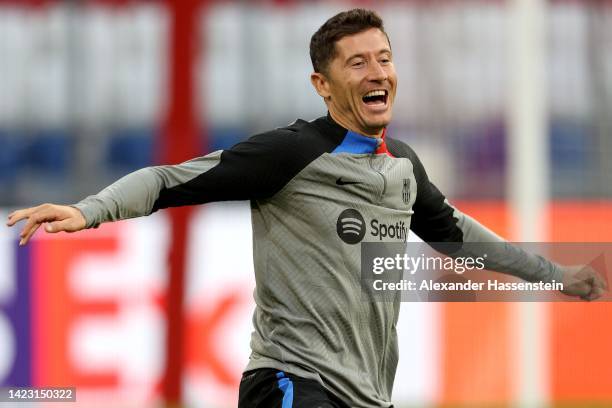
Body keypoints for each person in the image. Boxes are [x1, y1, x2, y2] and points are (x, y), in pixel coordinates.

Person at [6, 8, 606, 408]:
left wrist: (558, 275)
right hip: (295, 383)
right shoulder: (290, 153)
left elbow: (460, 238)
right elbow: (170, 177)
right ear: (322, 84)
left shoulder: (402, 165)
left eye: (385, 58)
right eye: (358, 62)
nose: (379, 73)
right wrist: (91, 210)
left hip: (367, 395)